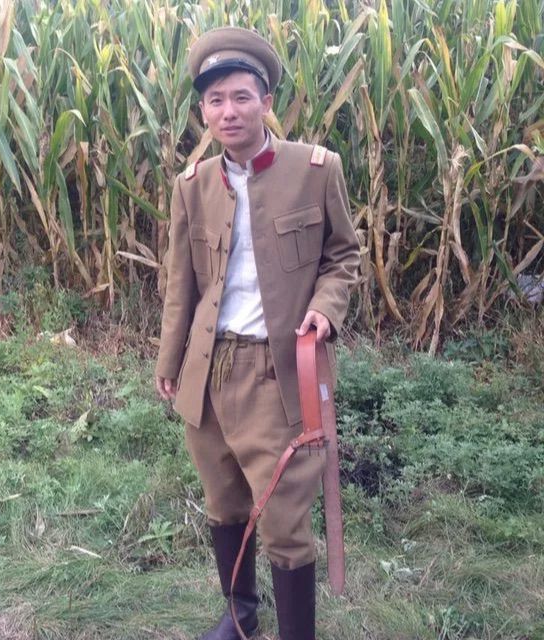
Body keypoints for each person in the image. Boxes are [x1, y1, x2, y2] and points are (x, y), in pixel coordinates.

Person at [155, 26, 360, 640]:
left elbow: (343, 255)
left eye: (241, 97)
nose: (229, 111)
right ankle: (241, 612)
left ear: (266, 101)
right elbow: (180, 284)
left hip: (279, 371)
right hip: (209, 370)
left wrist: (326, 307)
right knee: (223, 501)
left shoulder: (316, 170)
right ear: (203, 112)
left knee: (284, 518)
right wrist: (169, 361)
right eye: (215, 100)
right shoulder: (191, 187)